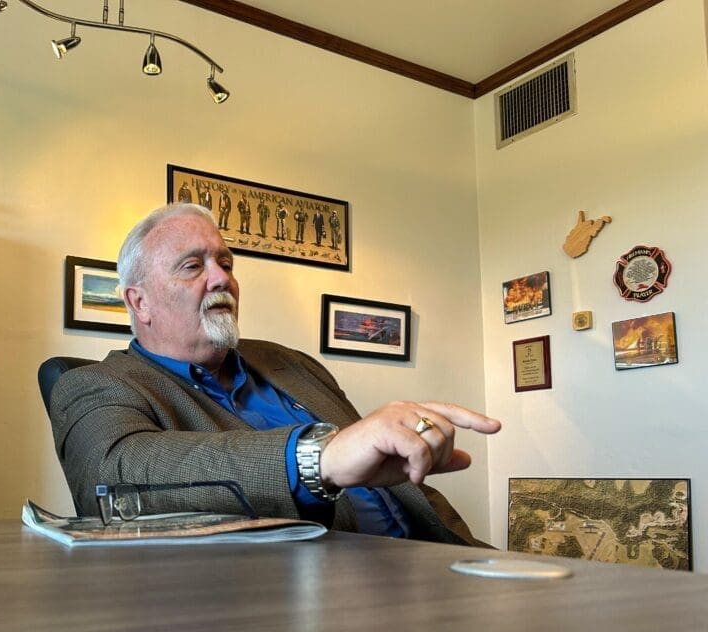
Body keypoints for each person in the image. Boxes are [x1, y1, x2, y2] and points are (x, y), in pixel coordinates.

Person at [49, 203, 501, 545]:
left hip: (441, 561)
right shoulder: (96, 384)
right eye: (192, 267)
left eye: (225, 264)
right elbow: (110, 480)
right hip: (308, 604)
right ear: (139, 302)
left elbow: (389, 488)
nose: (221, 278)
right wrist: (315, 458)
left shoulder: (294, 364)